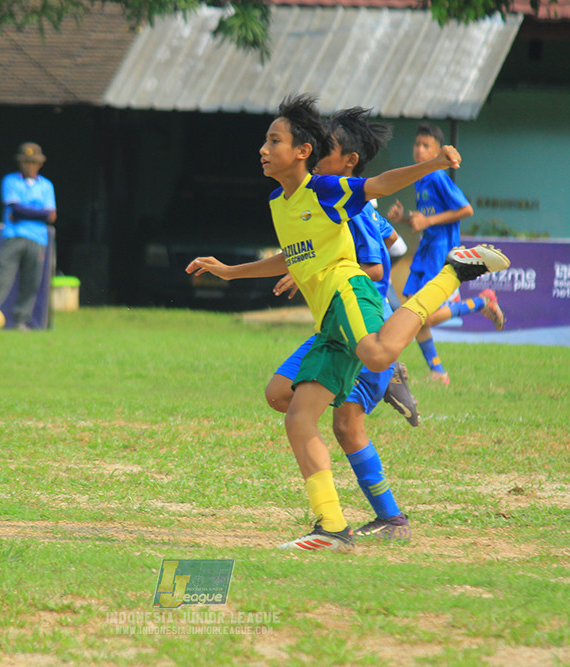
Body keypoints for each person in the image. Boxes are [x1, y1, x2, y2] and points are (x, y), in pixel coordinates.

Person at [186, 95, 510, 551]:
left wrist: (434, 163)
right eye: (265, 140)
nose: (263, 147)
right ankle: (334, 528)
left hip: (347, 294)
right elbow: (293, 254)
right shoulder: (280, 201)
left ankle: (455, 271)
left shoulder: (326, 188)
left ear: (302, 152)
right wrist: (231, 271)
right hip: (328, 321)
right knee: (291, 408)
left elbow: (378, 184)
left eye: (273, 140)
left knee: (377, 353)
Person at [262, 107, 418, 542]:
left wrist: (309, 267)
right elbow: (398, 243)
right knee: (283, 396)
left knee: (345, 423)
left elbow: (373, 268)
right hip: (332, 316)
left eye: (322, 151)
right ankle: (347, 525)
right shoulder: (307, 200)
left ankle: (386, 519)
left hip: (360, 316)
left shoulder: (351, 207)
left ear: (346, 161)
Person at [386, 123, 504, 386]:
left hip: (440, 250)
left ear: (438, 150)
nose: (419, 149)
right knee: (412, 312)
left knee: (421, 314)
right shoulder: (421, 178)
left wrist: (427, 223)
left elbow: (465, 209)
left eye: (426, 145)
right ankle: (437, 372)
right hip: (426, 248)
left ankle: (481, 303)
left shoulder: (438, 176)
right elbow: (427, 219)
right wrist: (405, 218)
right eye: (417, 144)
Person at [0, 142, 57, 331]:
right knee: (2, 279)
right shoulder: (11, 181)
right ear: (20, 163)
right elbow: (15, 209)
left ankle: (21, 321)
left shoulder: (46, 185)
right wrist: (39, 213)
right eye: (25, 162)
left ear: (40, 164)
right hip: (14, 237)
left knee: (31, 282)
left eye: (33, 162)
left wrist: (25, 213)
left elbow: (51, 216)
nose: (29, 166)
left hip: (38, 238)